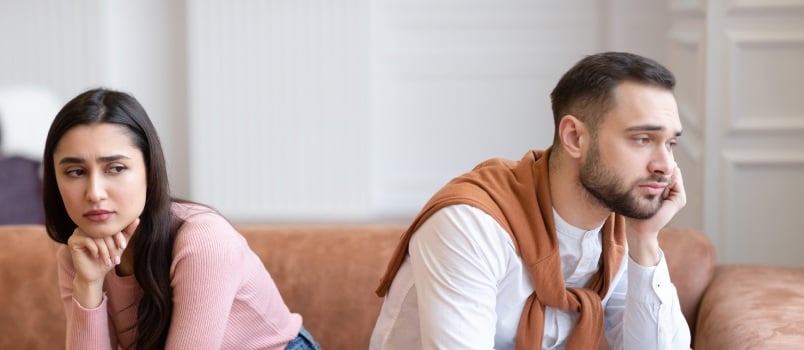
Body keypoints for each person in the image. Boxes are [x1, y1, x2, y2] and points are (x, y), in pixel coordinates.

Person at [370, 52, 691, 349]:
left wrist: (644, 239)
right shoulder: (470, 224)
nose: (664, 165)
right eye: (642, 139)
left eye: (671, 143)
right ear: (574, 138)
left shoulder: (617, 229)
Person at [42, 88, 320, 350]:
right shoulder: (78, 253)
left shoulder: (204, 240)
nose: (94, 193)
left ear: (149, 171)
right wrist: (88, 284)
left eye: (115, 168)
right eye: (76, 172)